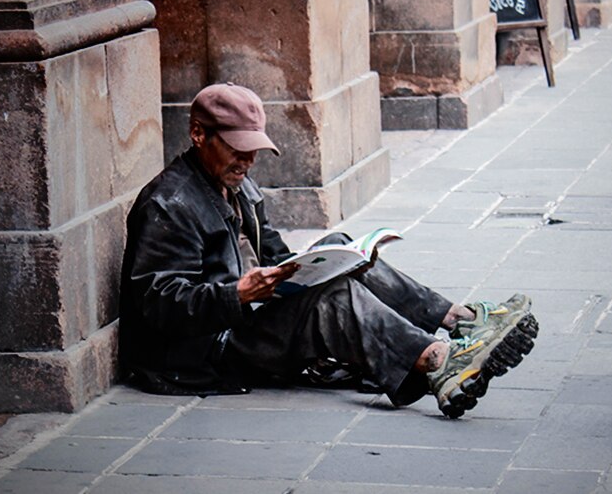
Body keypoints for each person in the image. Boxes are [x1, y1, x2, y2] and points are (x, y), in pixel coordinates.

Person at [119, 83, 538, 418]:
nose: (247, 160)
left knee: (341, 250)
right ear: (198, 134)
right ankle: (437, 360)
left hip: (249, 315)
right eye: (235, 147)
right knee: (331, 298)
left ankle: (458, 320)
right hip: (209, 350)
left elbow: (273, 253)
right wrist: (237, 295)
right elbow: (157, 305)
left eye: (252, 149)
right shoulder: (168, 204)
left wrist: (311, 267)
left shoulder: (238, 185)